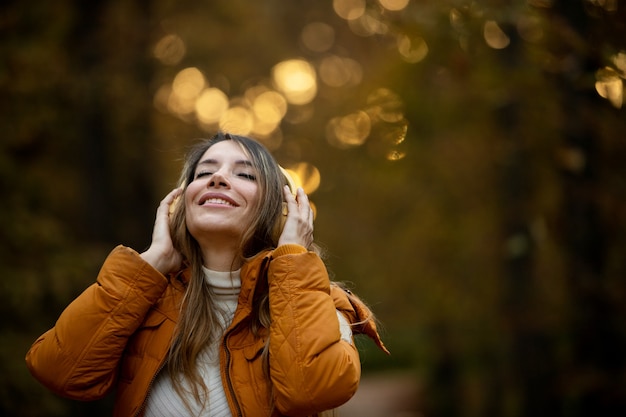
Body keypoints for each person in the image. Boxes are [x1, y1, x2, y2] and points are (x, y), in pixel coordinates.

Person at [25, 132, 388, 417]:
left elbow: (311, 391)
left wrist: (293, 257)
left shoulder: (318, 301)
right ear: (183, 200)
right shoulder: (144, 297)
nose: (218, 177)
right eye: (204, 172)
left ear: (283, 209)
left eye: (244, 173)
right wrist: (151, 263)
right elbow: (60, 372)